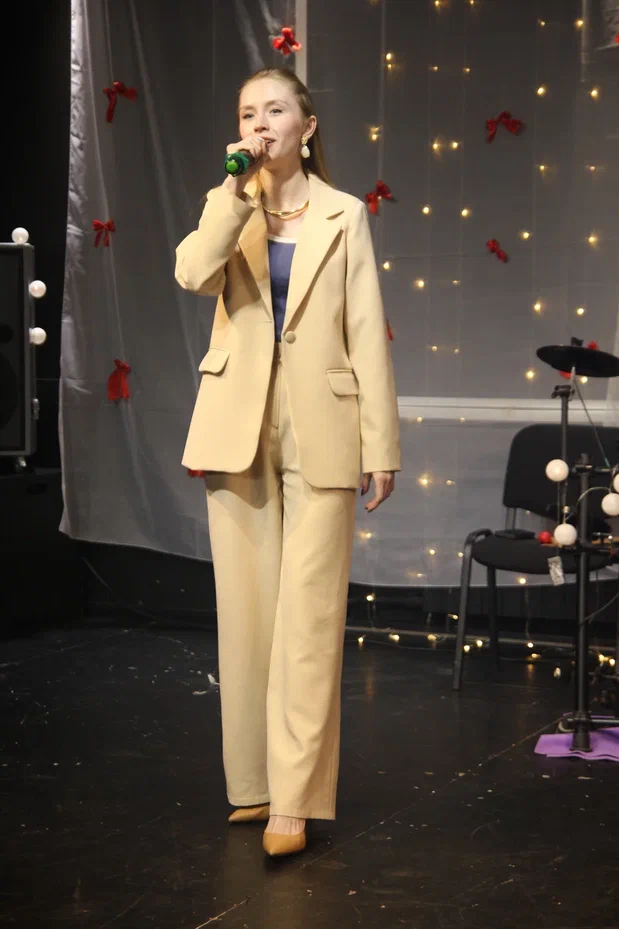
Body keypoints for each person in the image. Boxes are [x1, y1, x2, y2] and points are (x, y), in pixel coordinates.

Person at [174, 67, 401, 857]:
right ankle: (253, 785)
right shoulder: (227, 203)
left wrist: (381, 443)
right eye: (247, 113)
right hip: (236, 425)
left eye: (274, 110)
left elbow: (364, 328)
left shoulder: (344, 213)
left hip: (321, 426)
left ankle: (295, 799)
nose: (259, 123)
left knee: (307, 617)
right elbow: (192, 273)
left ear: (306, 127)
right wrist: (234, 192)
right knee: (246, 617)